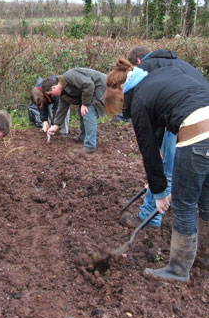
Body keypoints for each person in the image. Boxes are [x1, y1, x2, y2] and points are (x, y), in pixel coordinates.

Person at [105, 58, 209, 281]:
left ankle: (178, 270)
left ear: (123, 87)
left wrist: (160, 193)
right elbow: (170, 106)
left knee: (184, 204)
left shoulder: (139, 98)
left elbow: (149, 154)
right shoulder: (161, 74)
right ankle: (205, 257)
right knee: (207, 201)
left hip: (197, 134)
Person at [121, 46, 207, 229]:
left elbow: (149, 146)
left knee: (167, 168)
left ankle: (151, 217)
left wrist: (159, 190)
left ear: (137, 62)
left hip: (188, 120)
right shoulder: (179, 64)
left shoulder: (144, 72)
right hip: (199, 114)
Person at [41, 68, 106, 154]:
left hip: (101, 86)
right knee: (81, 110)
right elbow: (62, 109)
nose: (52, 96)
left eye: (51, 93)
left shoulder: (69, 76)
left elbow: (89, 84)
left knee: (88, 111)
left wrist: (85, 104)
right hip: (92, 90)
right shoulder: (63, 91)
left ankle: (90, 146)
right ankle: (83, 137)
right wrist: (55, 125)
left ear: (54, 87)